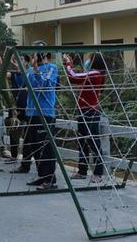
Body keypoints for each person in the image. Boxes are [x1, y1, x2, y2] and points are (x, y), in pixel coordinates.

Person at [17, 51, 59, 190]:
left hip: (45, 112)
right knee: (34, 145)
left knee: (46, 146)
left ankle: (50, 179)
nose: (36, 57)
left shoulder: (52, 67)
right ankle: (42, 176)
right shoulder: (29, 70)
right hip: (31, 112)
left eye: (39, 54)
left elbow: (44, 85)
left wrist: (35, 70)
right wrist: (32, 70)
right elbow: (28, 86)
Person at [64, 53, 106, 183]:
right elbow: (75, 78)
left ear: (94, 62)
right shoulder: (93, 75)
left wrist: (68, 63)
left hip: (90, 112)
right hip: (84, 111)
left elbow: (74, 76)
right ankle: (82, 171)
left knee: (93, 143)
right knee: (82, 143)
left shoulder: (95, 74)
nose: (86, 62)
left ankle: (98, 173)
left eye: (89, 59)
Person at [7, 54, 31, 161]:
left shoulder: (30, 72)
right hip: (15, 106)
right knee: (13, 130)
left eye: (21, 59)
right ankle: (13, 155)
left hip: (28, 106)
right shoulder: (14, 73)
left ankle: (28, 156)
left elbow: (26, 78)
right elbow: (3, 72)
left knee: (28, 132)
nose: (18, 61)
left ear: (26, 62)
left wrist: (17, 67)